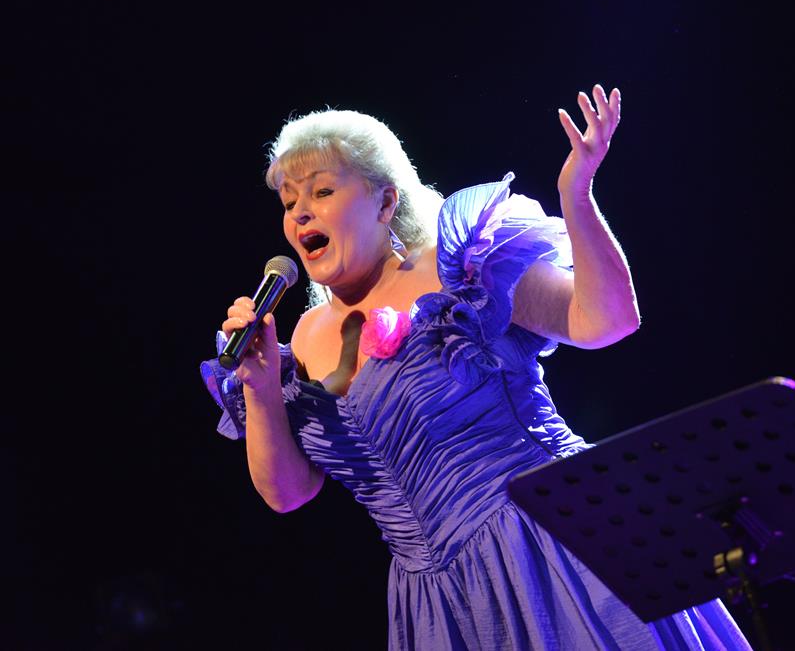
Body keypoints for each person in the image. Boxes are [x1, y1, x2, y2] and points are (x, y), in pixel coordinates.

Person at [201, 85, 753, 650]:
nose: (301, 213)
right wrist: (260, 387)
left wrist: (577, 195)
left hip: (552, 541)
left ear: (385, 203)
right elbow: (287, 494)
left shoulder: (457, 269)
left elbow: (606, 321)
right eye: (289, 202)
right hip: (441, 607)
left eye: (321, 191)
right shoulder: (301, 338)